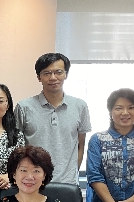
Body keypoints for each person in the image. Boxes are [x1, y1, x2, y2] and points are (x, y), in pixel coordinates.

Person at [14, 53, 91, 184]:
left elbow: (81, 145)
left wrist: (72, 174)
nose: (53, 77)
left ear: (66, 74)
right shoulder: (24, 107)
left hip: (68, 183)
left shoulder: (80, 106)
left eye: (58, 72)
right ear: (39, 77)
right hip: (32, 183)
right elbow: (17, 147)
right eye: (47, 73)